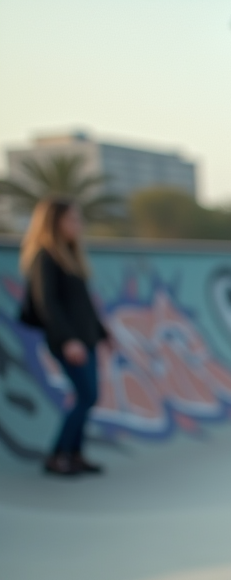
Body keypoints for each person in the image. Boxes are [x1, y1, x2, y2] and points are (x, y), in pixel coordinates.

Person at [19, 197, 108, 476]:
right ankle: (57, 456)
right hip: (68, 341)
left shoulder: (71, 256)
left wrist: (104, 333)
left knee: (89, 397)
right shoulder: (45, 257)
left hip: (85, 337)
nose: (78, 224)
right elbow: (48, 303)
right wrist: (68, 340)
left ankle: (75, 454)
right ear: (54, 223)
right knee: (85, 395)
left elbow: (84, 304)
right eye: (72, 219)